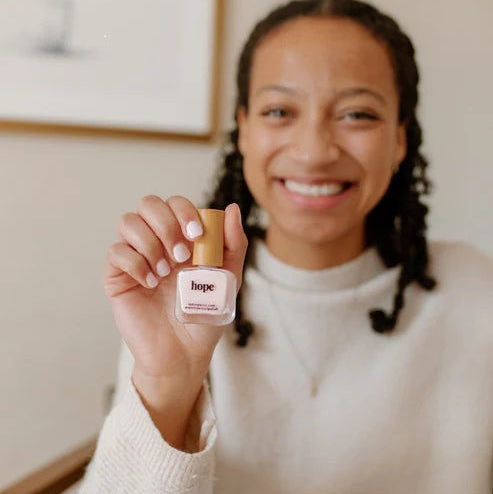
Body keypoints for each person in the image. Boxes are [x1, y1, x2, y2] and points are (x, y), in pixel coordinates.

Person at [78, 1, 493, 493]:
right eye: (279, 111)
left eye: (357, 114)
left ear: (400, 139)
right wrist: (168, 383)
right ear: (244, 129)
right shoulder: (187, 293)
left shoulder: (475, 293)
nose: (314, 152)